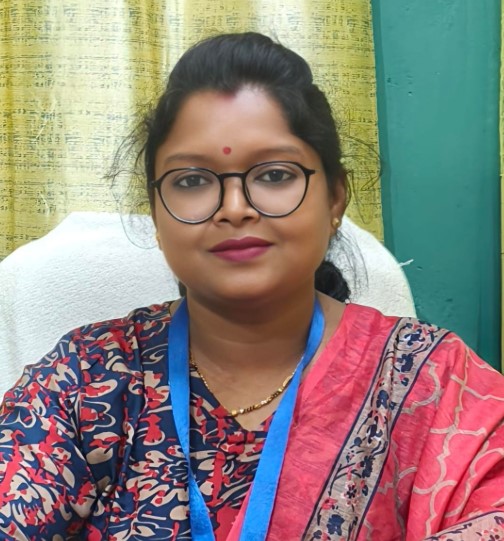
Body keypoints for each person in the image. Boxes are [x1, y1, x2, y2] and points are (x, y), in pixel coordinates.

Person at [0, 32, 503, 541]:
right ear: (156, 214)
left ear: (335, 198)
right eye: (192, 181)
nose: (235, 208)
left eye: (275, 174)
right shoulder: (86, 382)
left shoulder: (428, 382)